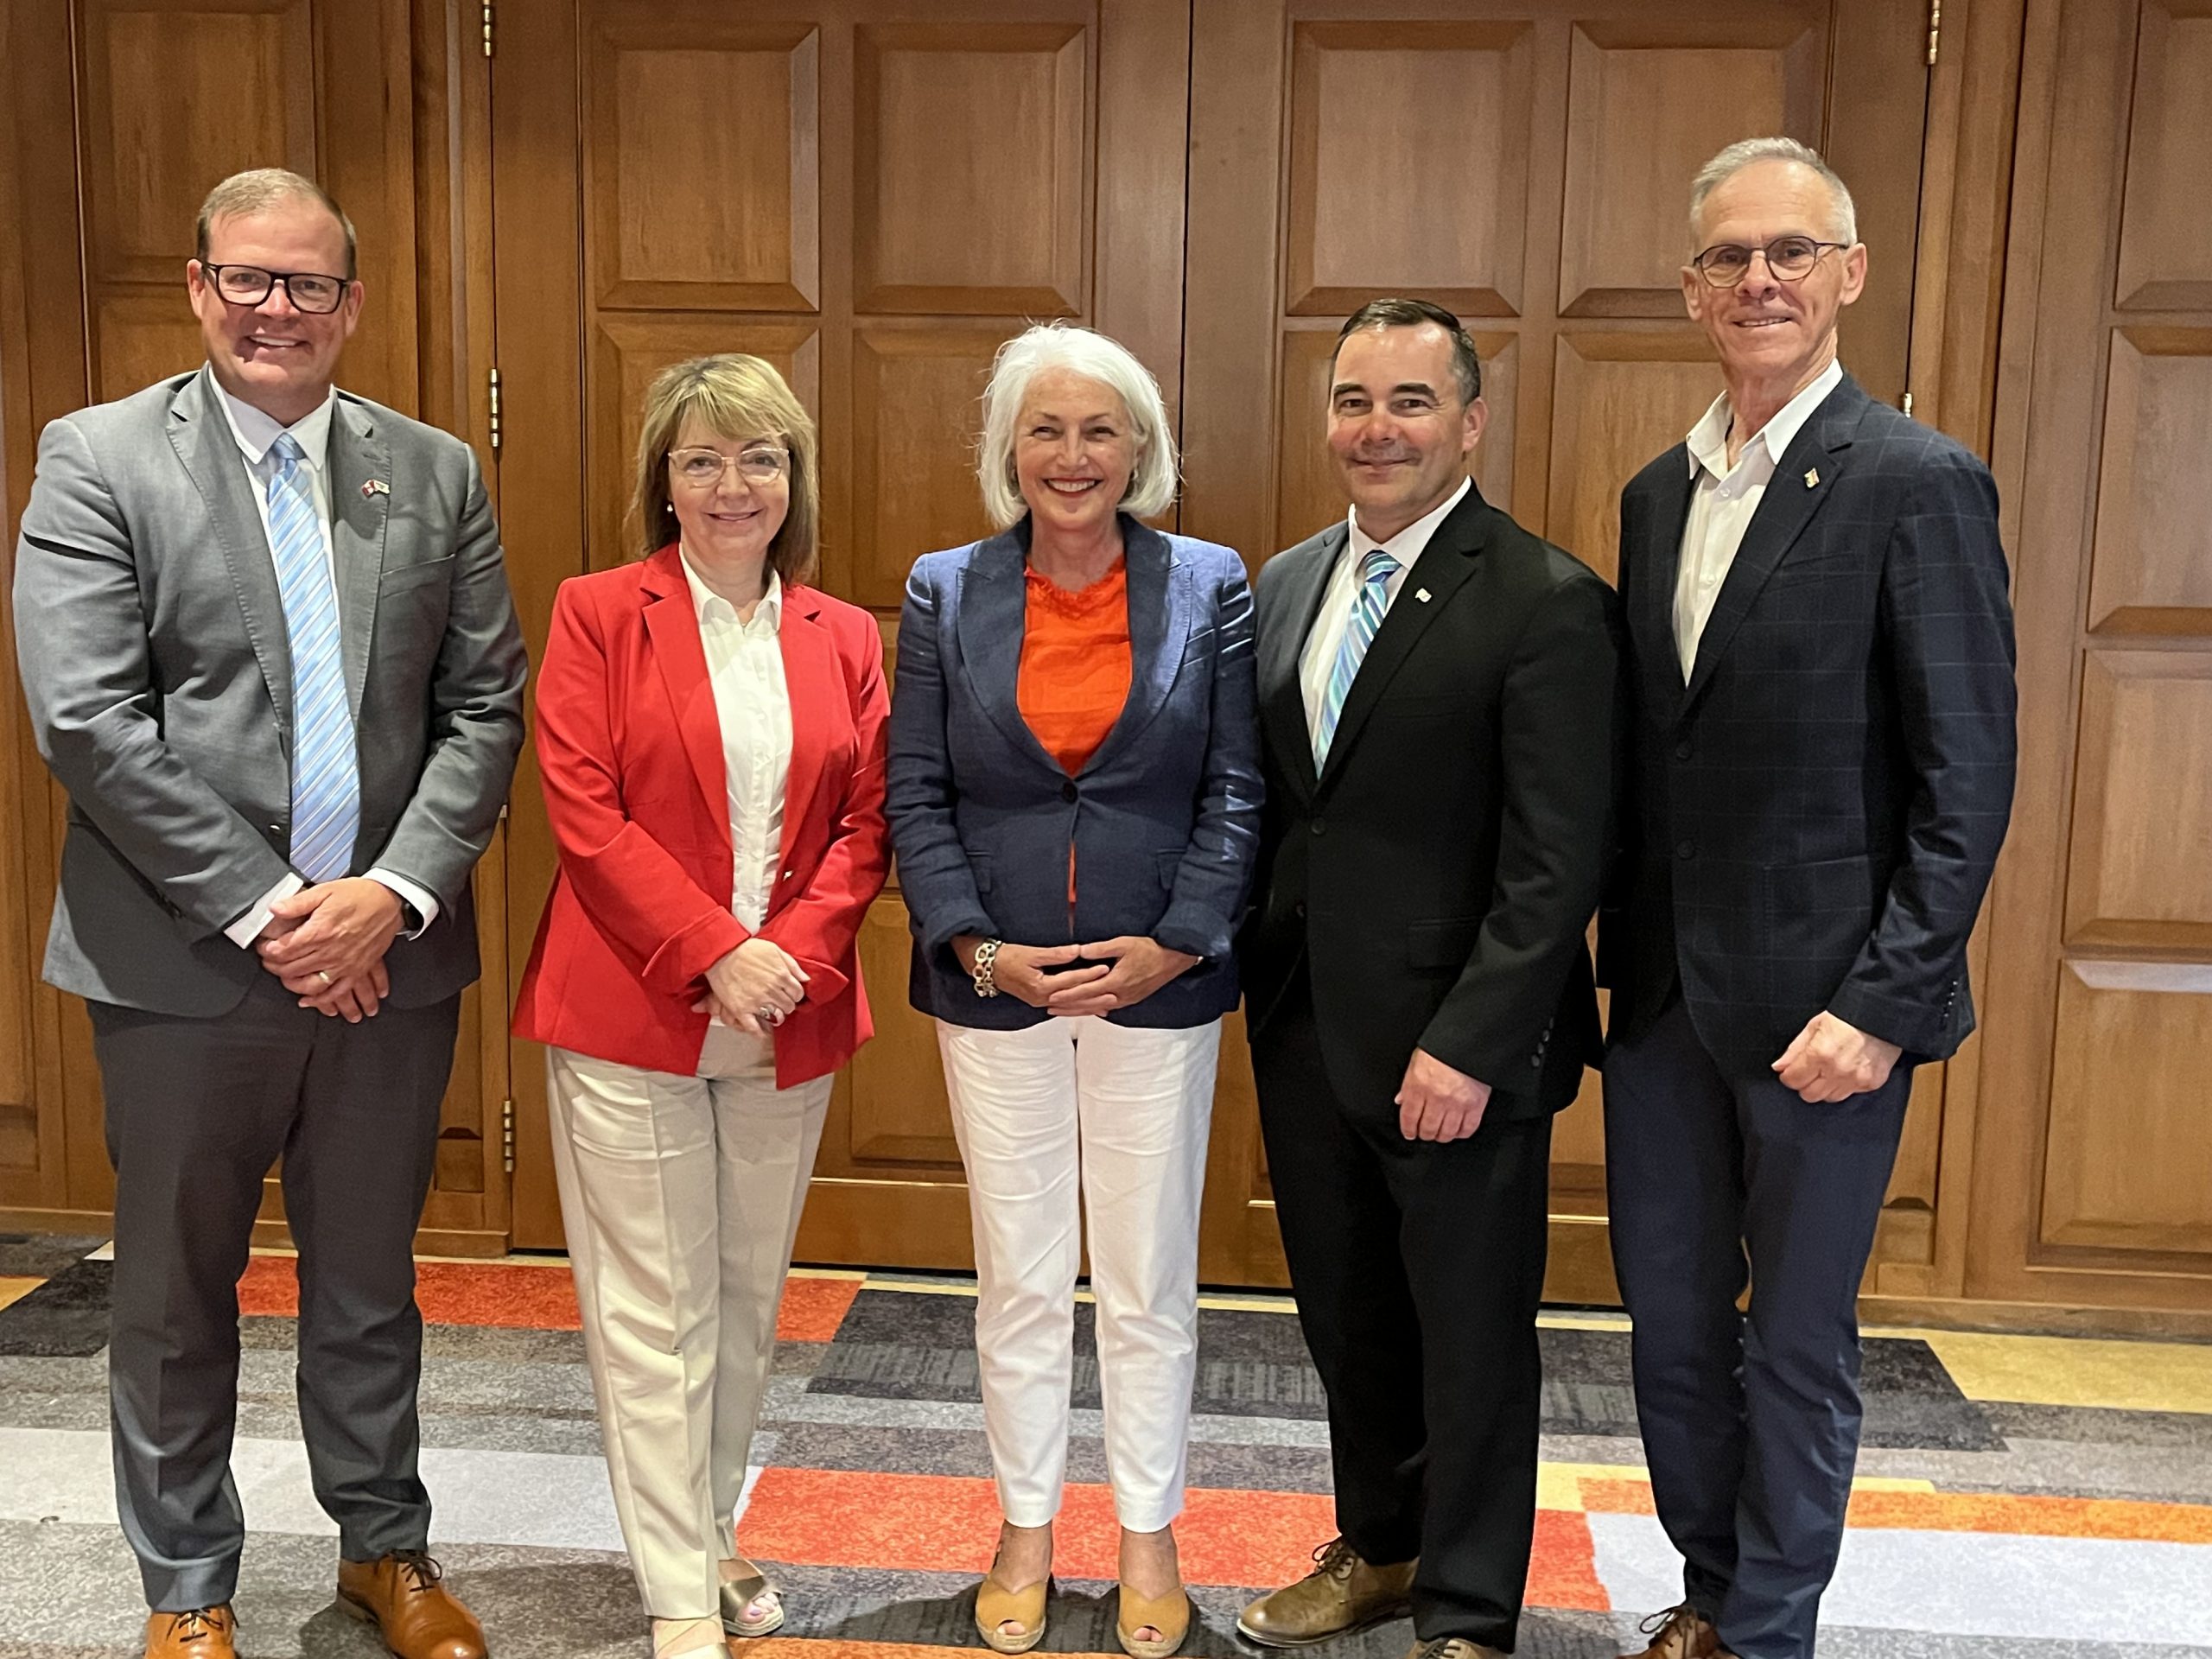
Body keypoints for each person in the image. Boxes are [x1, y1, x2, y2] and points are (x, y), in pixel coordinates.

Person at [11, 168, 526, 1659]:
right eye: (247, 277)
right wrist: (277, 911)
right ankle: (188, 1590)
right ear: (199, 286)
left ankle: (385, 1551)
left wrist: (390, 896)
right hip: (183, 964)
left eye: (306, 283)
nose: (275, 309)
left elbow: (485, 705)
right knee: (177, 1292)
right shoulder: (100, 458)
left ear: (349, 303)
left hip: (390, 960)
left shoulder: (432, 471)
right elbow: (89, 718)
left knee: (370, 1282)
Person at [1600, 138, 2018, 1659]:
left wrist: (1883, 1005)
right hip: (1664, 1004)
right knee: (1667, 1331)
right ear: (1691, 288)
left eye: (1791, 251)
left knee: (1793, 1340)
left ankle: (1771, 1631)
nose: (1759, 279)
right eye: (1730, 256)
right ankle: (1711, 1594)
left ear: (1849, 273)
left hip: (1827, 1016)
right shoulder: (1657, 495)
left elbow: (1967, 778)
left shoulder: (1917, 481)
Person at [1236, 297, 1618, 1659]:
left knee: (1470, 1336)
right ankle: (1382, 1547)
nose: (1377, 428)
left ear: (1470, 421)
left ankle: (1468, 1606)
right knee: (1349, 1318)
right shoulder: (1286, 583)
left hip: (1461, 1047)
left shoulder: (1546, 600)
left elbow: (1557, 860)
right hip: (1306, 1024)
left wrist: (1471, 1043)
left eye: (1410, 400)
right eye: (1353, 400)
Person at [885, 321, 1260, 1659]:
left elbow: (1236, 785)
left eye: (1100, 429)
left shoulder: (1210, 581)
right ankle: (1027, 1528)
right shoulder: (943, 589)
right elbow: (915, 791)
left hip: (1158, 985)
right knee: (1023, 1278)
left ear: (1140, 448)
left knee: (1150, 1278)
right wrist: (977, 948)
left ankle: (1149, 1532)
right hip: (998, 986)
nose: (1073, 454)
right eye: (1044, 429)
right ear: (1008, 449)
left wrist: (1182, 940)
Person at [512, 354, 889, 1659]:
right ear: (663, 482)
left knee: (743, 1297)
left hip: (787, 1012)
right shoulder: (597, 613)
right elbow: (584, 811)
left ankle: (712, 1529)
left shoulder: (844, 633)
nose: (734, 485)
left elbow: (867, 824)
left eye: (760, 457)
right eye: (702, 460)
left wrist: (786, 954)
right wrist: (716, 950)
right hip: (634, 1007)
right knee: (653, 1311)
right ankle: (679, 1590)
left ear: (794, 478)